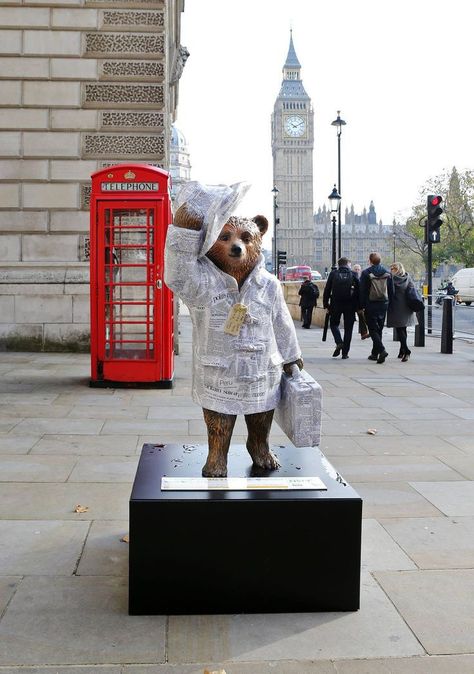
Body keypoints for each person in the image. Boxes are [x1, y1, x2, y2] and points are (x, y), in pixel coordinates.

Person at [360, 252, 394, 364]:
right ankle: (375, 354)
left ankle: (382, 350)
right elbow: (391, 291)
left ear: (370, 261)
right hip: (383, 304)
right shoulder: (387, 273)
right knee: (379, 329)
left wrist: (361, 306)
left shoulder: (366, 273)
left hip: (371, 304)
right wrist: (390, 304)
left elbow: (362, 291)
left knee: (373, 329)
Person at [322, 257, 359, 359]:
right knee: (348, 329)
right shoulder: (354, 274)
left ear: (339, 264)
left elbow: (327, 289)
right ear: (347, 264)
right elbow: (359, 291)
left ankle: (339, 342)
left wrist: (326, 304)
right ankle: (345, 353)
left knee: (334, 324)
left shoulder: (333, 274)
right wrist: (358, 306)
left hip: (335, 304)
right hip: (350, 305)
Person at [386, 262, 417, 362]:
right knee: (403, 329)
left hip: (396, 307)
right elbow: (413, 290)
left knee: (400, 330)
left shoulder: (391, 279)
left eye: (392, 268)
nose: (391, 270)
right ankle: (401, 350)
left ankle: (406, 350)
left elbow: (388, 292)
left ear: (396, 269)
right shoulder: (408, 277)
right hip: (407, 307)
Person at [352, 264, 369, 340]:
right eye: (356, 269)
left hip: (359, 302)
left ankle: (363, 333)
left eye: (358, 269)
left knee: (362, 317)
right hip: (352, 301)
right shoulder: (351, 277)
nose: (357, 271)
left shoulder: (362, 278)